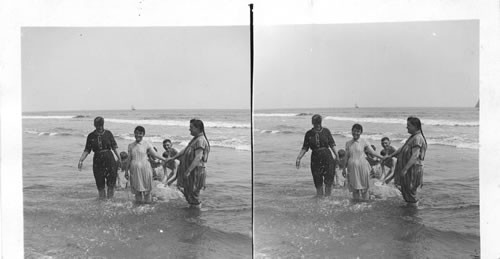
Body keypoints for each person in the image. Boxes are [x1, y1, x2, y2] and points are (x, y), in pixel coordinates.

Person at [383, 117, 427, 207]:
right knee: (406, 191)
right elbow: (402, 149)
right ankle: (409, 211)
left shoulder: (418, 138)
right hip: (408, 170)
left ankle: (413, 214)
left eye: (409, 125)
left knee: (411, 192)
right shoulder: (412, 137)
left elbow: (415, 155)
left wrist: (405, 169)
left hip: (412, 170)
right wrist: (390, 156)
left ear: (415, 126)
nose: (407, 127)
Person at [167, 119, 210, 208]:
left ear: (198, 128)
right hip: (191, 171)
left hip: (196, 171)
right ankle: (192, 212)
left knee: (194, 195)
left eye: (191, 127)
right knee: (188, 193)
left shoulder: (200, 140)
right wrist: (173, 158)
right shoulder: (195, 139)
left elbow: (198, 157)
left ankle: (196, 215)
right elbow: (185, 150)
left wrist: (189, 170)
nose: (189, 129)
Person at [296, 114, 339, 197]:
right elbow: (305, 147)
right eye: (315, 123)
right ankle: (319, 199)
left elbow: (332, 144)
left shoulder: (326, 131)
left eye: (318, 122)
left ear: (321, 122)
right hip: (315, 159)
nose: (317, 124)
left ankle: (327, 199)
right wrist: (298, 158)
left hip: (327, 157)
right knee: (318, 180)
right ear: (312, 123)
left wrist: (336, 155)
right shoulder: (308, 134)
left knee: (328, 181)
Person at [78, 116, 120, 200]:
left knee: (111, 183)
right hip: (97, 161)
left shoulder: (108, 134)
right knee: (100, 183)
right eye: (98, 125)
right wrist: (81, 160)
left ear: (103, 124)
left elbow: (114, 147)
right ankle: (102, 202)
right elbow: (87, 150)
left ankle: (110, 201)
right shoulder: (91, 136)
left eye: (101, 125)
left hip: (109, 159)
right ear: (94, 125)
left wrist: (119, 158)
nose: (100, 127)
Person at [125, 126, 167, 204]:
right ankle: (139, 207)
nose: (138, 135)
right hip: (134, 170)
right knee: (137, 191)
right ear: (134, 133)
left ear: (143, 134)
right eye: (136, 133)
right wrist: (126, 171)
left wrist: (165, 159)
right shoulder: (130, 145)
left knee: (147, 190)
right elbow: (129, 159)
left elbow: (155, 154)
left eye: (140, 133)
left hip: (145, 169)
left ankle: (148, 206)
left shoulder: (147, 144)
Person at [341, 124, 383, 201]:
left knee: (364, 188)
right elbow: (346, 156)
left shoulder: (364, 141)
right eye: (354, 131)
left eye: (358, 131)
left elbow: (373, 152)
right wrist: (344, 168)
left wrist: (382, 157)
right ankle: (356, 205)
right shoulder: (348, 143)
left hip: (363, 168)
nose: (355, 133)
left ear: (361, 132)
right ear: (352, 131)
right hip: (352, 169)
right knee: (354, 189)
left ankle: (365, 204)